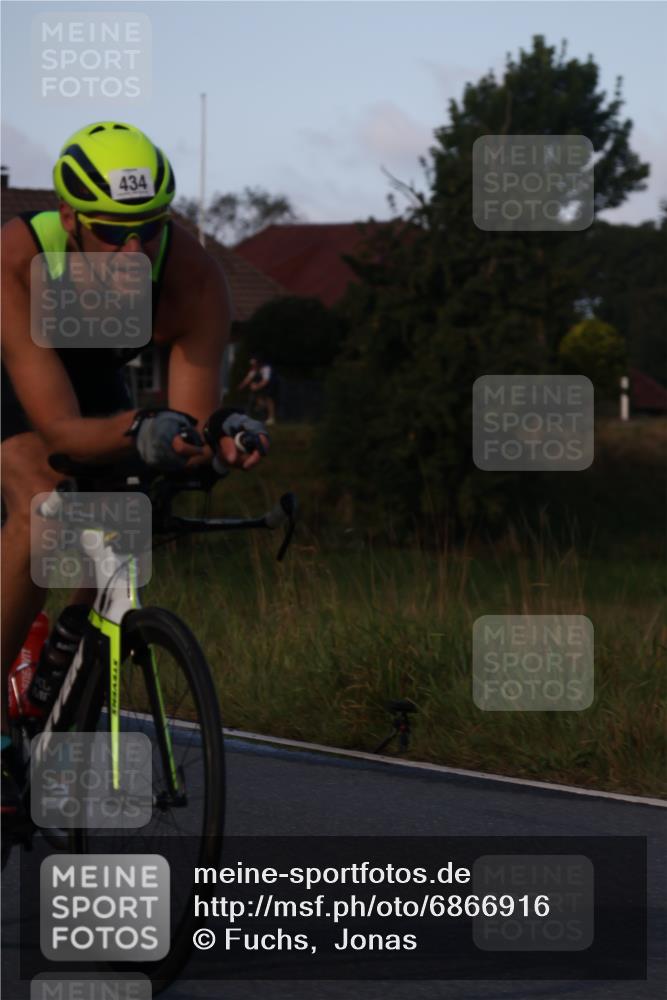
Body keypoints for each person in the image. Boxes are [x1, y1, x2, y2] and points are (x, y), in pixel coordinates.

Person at [0, 121, 269, 819]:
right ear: (68, 218)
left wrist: (217, 440)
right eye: (112, 231)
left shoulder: (193, 278)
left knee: (121, 520)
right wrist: (140, 431)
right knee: (47, 505)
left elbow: (187, 423)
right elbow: (57, 430)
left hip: (93, 382)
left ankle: (61, 674)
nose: (132, 249)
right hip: (15, 377)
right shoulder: (18, 257)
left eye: (148, 230)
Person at [237, 356, 278, 425]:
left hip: (271, 386)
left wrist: (257, 386)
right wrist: (241, 386)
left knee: (269, 400)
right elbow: (248, 379)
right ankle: (262, 414)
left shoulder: (266, 368)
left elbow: (266, 381)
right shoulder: (254, 370)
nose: (253, 366)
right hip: (261, 387)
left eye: (254, 364)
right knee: (259, 400)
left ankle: (271, 418)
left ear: (258, 363)